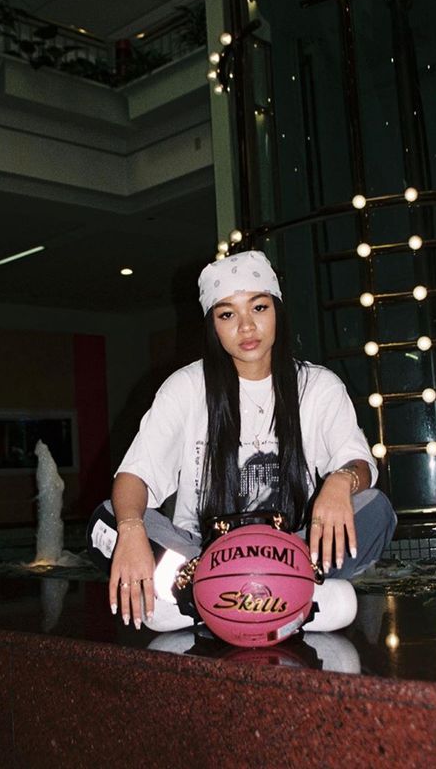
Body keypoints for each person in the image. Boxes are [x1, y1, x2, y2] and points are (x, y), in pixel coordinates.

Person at [87, 250, 396, 635]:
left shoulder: (317, 386)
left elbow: (359, 464)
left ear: (277, 311)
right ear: (212, 325)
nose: (246, 326)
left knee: (377, 510)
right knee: (107, 522)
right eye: (227, 314)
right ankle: (295, 607)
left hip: (292, 550)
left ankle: (200, 605)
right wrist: (132, 530)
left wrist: (340, 482)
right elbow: (135, 476)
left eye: (259, 307)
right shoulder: (185, 387)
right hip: (197, 553)